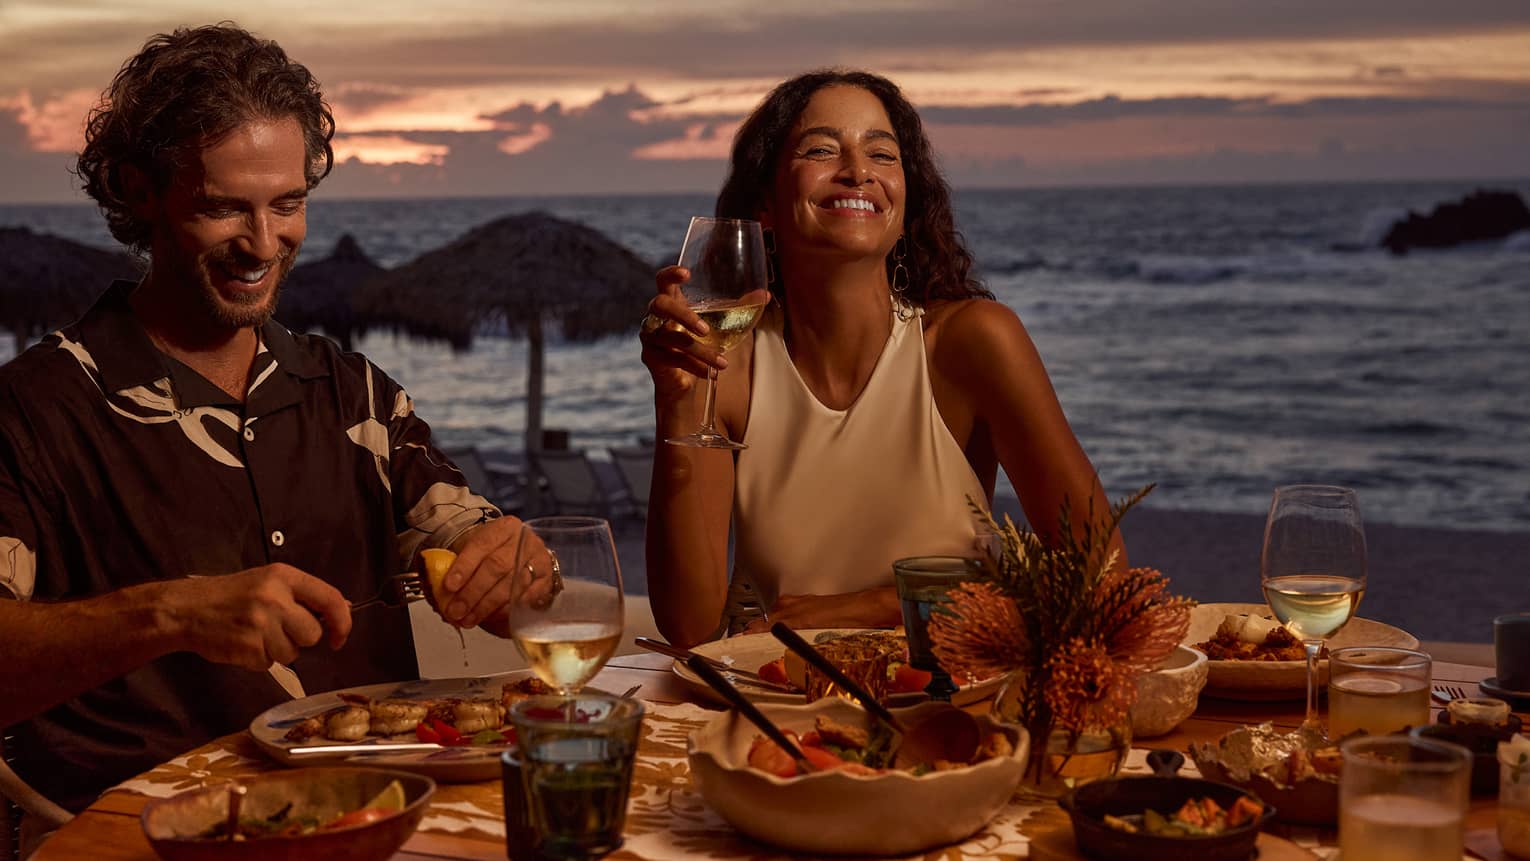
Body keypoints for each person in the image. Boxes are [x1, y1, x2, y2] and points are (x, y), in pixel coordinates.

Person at [0, 23, 538, 822]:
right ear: (136, 190)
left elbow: (485, 560)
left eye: (288, 205)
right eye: (223, 208)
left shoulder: (354, 390)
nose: (263, 243)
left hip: (375, 820)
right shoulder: (34, 408)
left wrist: (516, 568)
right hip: (131, 833)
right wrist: (173, 613)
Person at [640, 69, 1124, 648]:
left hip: (959, 702)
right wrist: (676, 407)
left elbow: (1102, 576)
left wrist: (865, 607)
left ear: (904, 199)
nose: (858, 171)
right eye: (822, 150)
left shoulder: (972, 342)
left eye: (882, 154)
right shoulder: (730, 364)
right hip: (784, 701)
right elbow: (690, 628)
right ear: (764, 203)